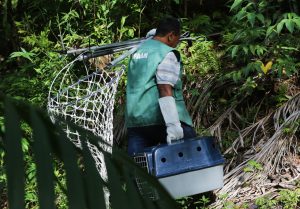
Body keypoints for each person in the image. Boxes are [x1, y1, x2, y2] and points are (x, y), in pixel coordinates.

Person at [126, 17, 196, 156]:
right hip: (160, 119)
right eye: (177, 39)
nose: (177, 43)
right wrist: (173, 126)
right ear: (171, 36)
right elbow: (164, 88)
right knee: (193, 150)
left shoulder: (135, 53)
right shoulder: (166, 53)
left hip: (135, 121)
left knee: (139, 168)